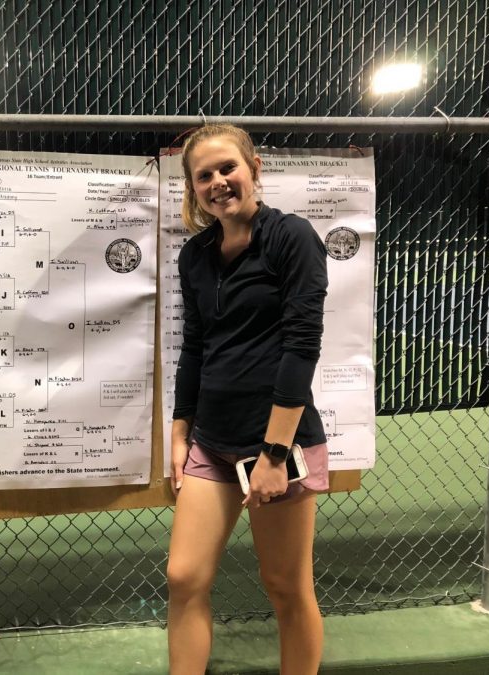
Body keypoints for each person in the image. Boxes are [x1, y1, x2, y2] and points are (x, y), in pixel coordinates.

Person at [167, 124, 329, 675]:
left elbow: (302, 347)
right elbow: (195, 348)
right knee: (184, 577)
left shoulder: (292, 237)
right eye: (204, 175)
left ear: (253, 168)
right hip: (211, 440)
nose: (218, 182)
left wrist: (275, 455)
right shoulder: (195, 256)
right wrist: (180, 433)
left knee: (286, 586)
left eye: (227, 168)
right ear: (193, 189)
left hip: (279, 445)